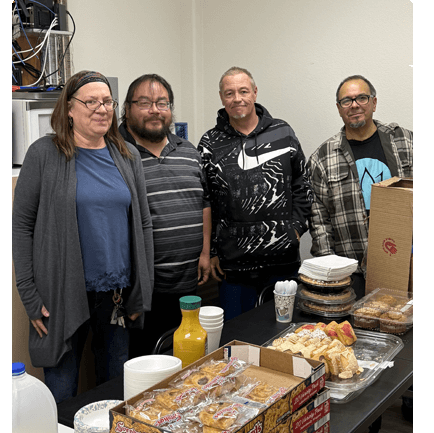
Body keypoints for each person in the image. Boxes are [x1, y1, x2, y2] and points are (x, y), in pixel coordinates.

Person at [12, 70, 154, 403]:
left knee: (115, 392)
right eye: (91, 102)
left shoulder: (127, 155)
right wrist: (29, 296)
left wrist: (142, 290)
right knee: (61, 392)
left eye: (107, 101)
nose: (101, 109)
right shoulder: (44, 154)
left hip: (117, 295)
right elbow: (21, 226)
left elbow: (144, 224)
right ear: (69, 109)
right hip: (60, 295)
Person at [198, 66, 312, 320]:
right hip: (233, 268)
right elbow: (206, 201)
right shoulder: (209, 143)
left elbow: (303, 184)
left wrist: (294, 230)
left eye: (243, 91)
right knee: (238, 337)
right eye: (229, 93)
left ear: (255, 93)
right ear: (221, 97)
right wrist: (212, 251)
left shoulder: (283, 132)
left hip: (282, 264)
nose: (237, 98)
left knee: (284, 334)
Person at [119, 74, 211, 356]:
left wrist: (205, 252)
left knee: (186, 360)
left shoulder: (189, 151)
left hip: (189, 284)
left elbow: (204, 202)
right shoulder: (116, 154)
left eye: (162, 103)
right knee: (145, 364)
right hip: (142, 291)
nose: (155, 110)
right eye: (144, 103)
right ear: (127, 109)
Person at [307, 74, 413, 298]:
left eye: (362, 98)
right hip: (350, 271)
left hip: (405, 264)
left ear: (374, 102)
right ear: (339, 108)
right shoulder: (323, 158)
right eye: (347, 100)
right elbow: (319, 222)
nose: (354, 105)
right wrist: (331, 274)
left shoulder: (404, 141)